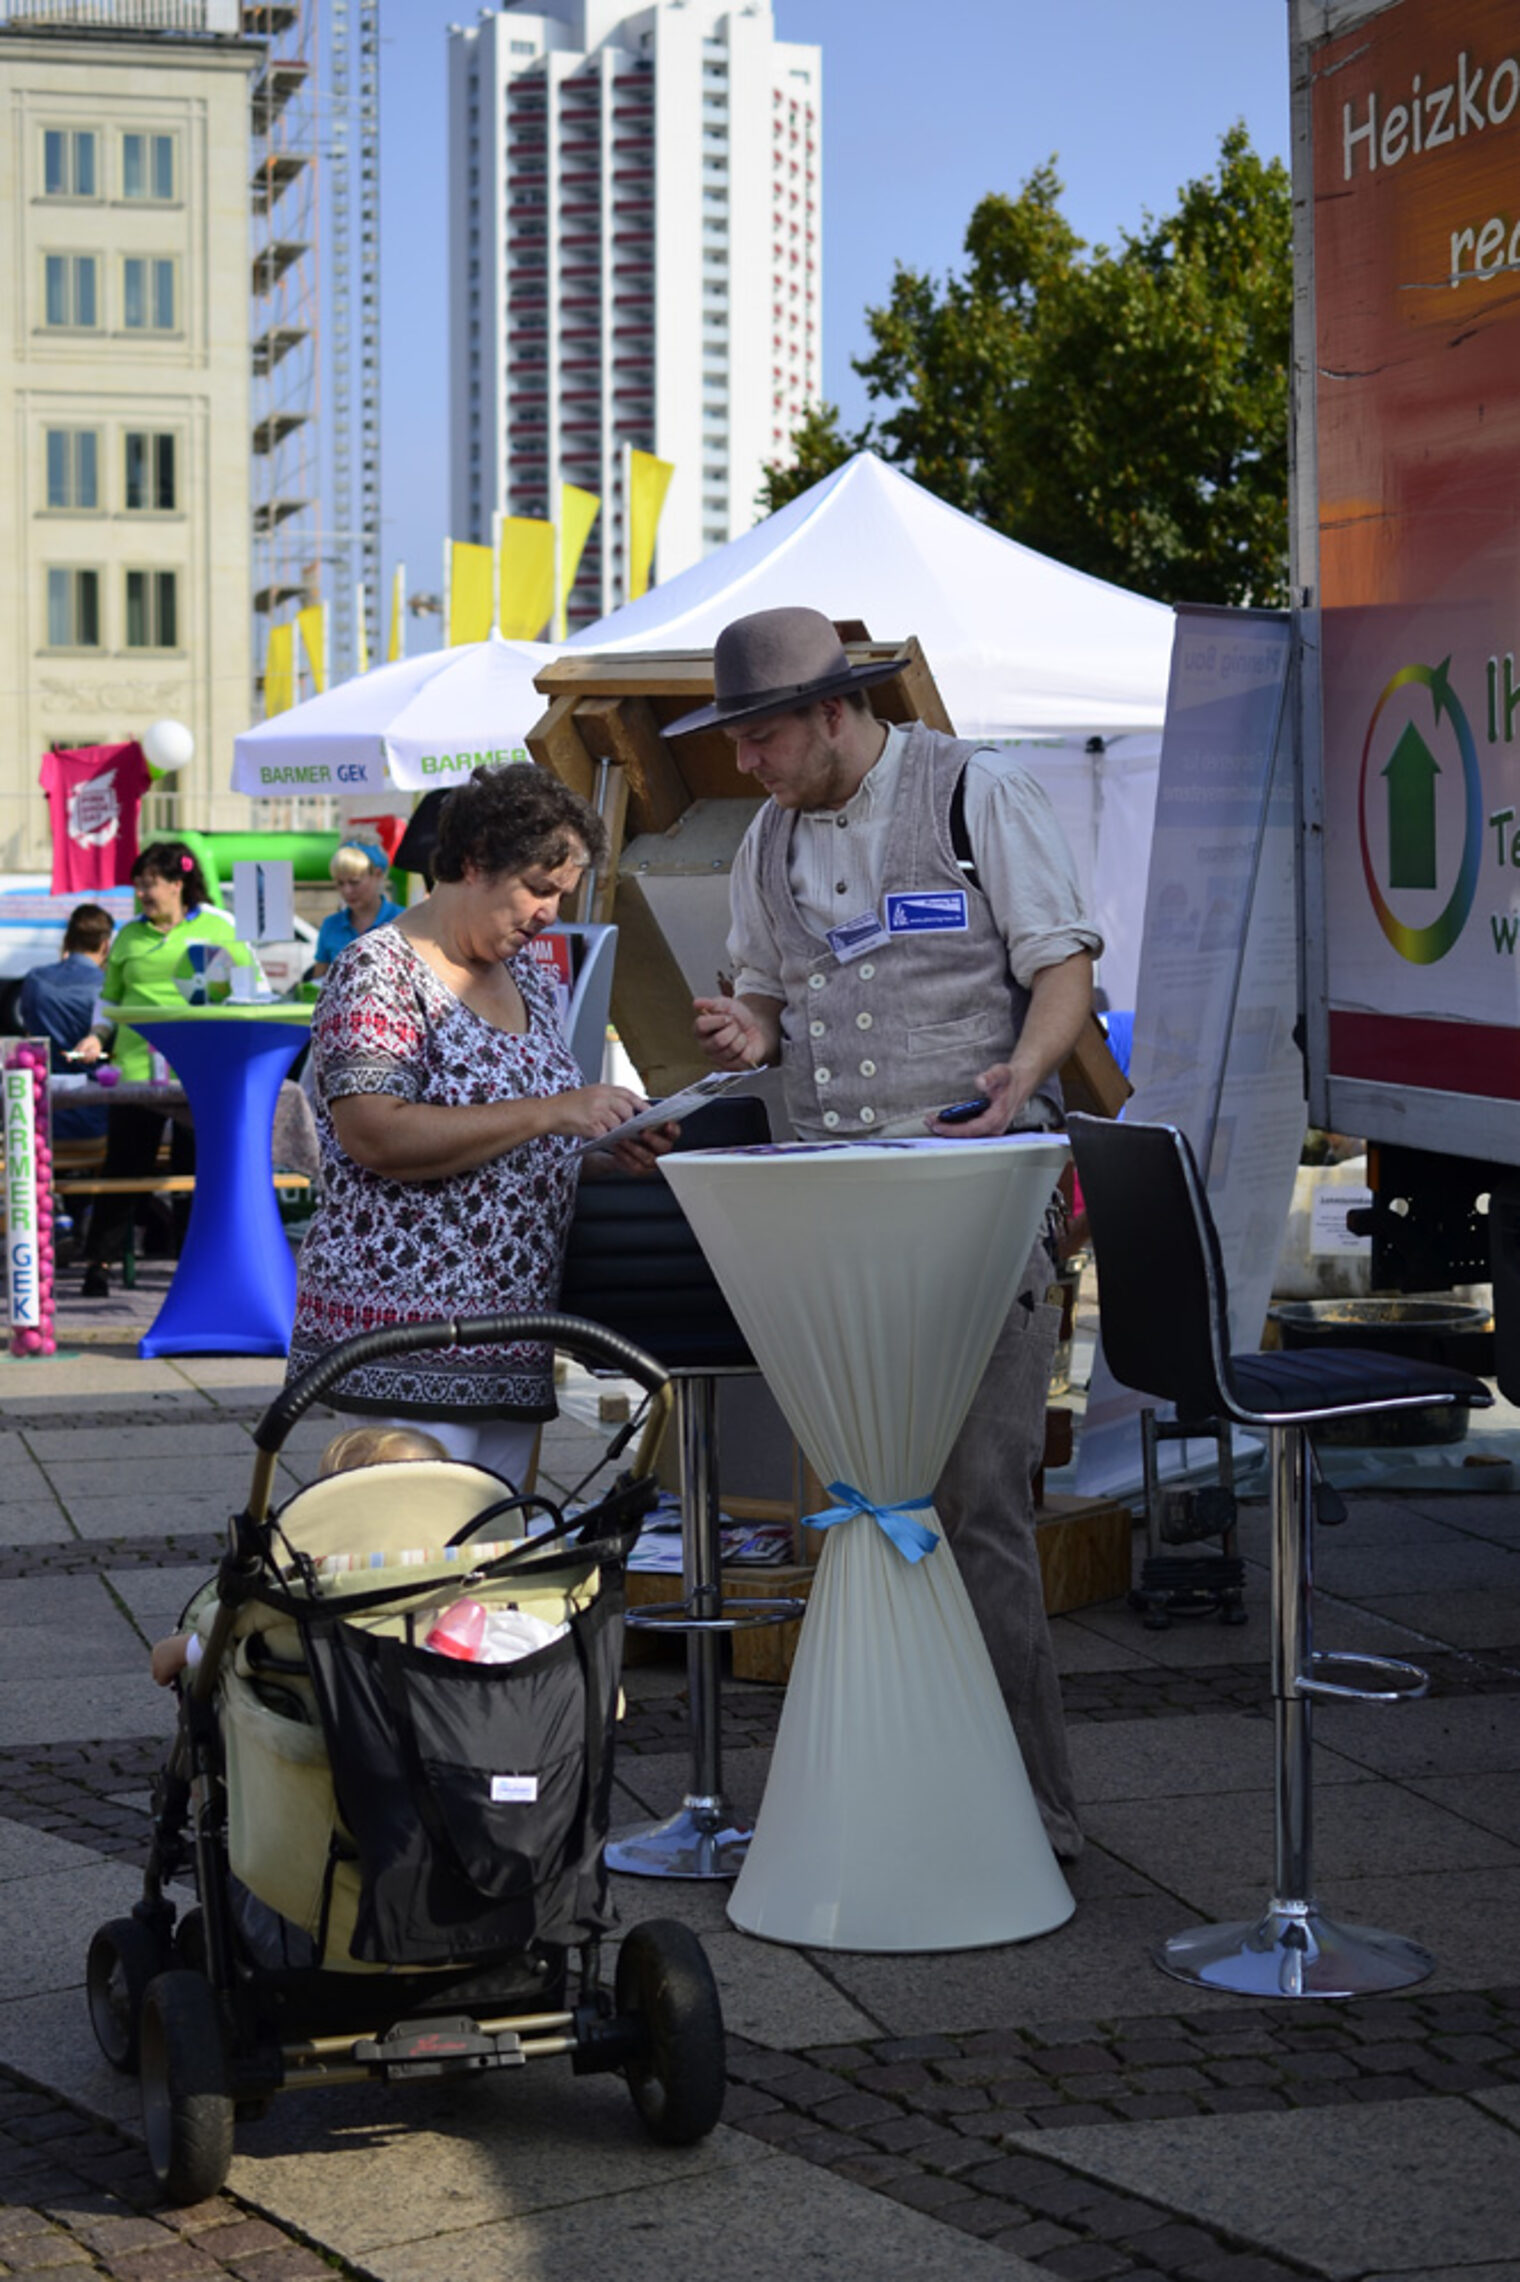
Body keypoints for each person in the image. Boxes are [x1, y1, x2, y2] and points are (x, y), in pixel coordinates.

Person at [682, 607, 1101, 1861]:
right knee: (869, 1501)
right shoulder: (766, 837)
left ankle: (1034, 1809)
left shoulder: (980, 792)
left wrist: (1023, 1075)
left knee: (978, 1501)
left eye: (759, 739)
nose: (745, 765)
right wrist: (752, 1032)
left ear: (831, 711)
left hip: (974, 1216)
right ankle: (893, 1785)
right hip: (842, 1219)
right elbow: (764, 991)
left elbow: (1064, 965)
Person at [286, 763, 672, 1488]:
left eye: (562, 893)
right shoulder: (378, 972)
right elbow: (376, 1134)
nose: (551, 912)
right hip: (402, 1339)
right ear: (471, 864)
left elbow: (510, 1145)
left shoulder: (531, 977)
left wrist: (598, 1151)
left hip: (508, 1338)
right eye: (538, 887)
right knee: (415, 1571)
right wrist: (554, 1112)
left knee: (491, 1570)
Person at [75, 842, 253, 1297]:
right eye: (138, 883)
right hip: (136, 1069)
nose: (142, 892)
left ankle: (196, 1264)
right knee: (124, 1164)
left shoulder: (220, 926)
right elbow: (110, 997)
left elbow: (248, 988)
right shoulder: (129, 937)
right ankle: (99, 1261)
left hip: (201, 1070)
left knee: (198, 1167)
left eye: (149, 883)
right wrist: (99, 1034)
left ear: (177, 885)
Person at [150, 1423, 449, 1685]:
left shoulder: (314, 1578)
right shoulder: (459, 1574)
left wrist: (182, 1649)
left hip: (323, 1706)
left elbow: (248, 1628)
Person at [19, 902, 113, 1139]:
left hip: (42, 1115)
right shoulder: (107, 988)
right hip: (97, 1115)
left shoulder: (35, 979)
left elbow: (30, 1034)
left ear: (68, 940)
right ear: (105, 945)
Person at [309, 842, 404, 980]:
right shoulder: (330, 925)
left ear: (377, 875)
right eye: (340, 883)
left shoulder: (403, 920)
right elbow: (318, 983)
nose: (347, 891)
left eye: (354, 882)